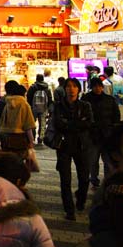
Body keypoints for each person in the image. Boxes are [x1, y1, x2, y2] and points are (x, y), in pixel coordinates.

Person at [51, 78, 95, 220]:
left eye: (74, 86)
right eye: (68, 86)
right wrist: (77, 123)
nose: (71, 89)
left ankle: (80, 200)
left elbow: (88, 123)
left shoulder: (85, 105)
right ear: (64, 89)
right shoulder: (58, 106)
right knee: (65, 179)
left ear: (78, 89)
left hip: (81, 145)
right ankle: (69, 210)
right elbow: (58, 123)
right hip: (63, 146)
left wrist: (69, 124)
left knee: (84, 178)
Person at [83, 76, 120, 188]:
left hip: (107, 134)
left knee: (108, 160)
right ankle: (94, 179)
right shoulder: (86, 99)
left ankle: (107, 180)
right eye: (95, 86)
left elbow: (116, 116)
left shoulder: (109, 99)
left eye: (99, 86)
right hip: (92, 135)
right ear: (91, 87)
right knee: (93, 160)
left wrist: (114, 128)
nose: (97, 88)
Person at [0, 80, 36, 161]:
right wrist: (31, 141)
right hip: (19, 139)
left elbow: (0, 122)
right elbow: (28, 125)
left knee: (7, 162)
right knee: (17, 163)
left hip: (5, 138)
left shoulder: (7, 103)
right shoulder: (24, 104)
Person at [26, 74, 52, 145]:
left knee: (32, 123)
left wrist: (30, 106)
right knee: (42, 124)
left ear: (36, 79)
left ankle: (33, 137)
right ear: (43, 79)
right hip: (43, 108)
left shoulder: (32, 87)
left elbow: (29, 97)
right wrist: (49, 108)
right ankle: (40, 139)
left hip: (33, 108)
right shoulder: (47, 88)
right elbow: (50, 99)